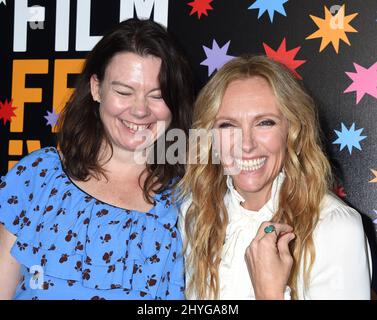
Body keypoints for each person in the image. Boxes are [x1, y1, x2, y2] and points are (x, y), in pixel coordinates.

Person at [0, 18, 194, 300]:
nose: (140, 111)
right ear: (96, 88)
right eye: (123, 91)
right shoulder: (38, 177)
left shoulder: (189, 199)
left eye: (157, 95)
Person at [178, 55, 372, 300]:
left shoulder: (335, 226)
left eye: (264, 123)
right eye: (228, 125)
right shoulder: (194, 216)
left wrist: (270, 294)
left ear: (293, 132)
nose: (246, 144)